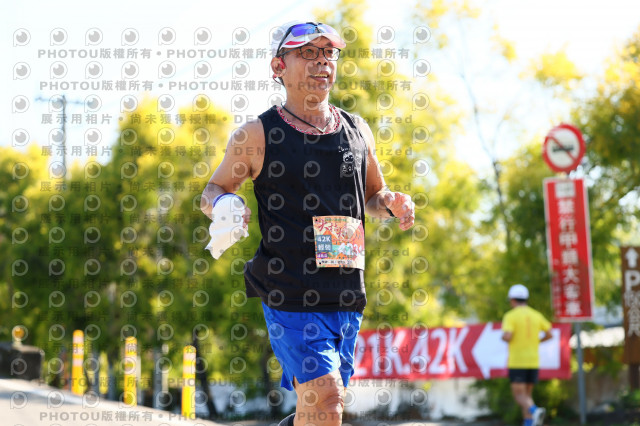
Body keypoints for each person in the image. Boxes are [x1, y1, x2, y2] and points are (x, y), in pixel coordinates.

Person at [200, 20, 415, 426]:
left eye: (329, 53)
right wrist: (226, 204)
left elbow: (373, 196)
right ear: (278, 66)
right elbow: (212, 191)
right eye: (308, 53)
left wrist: (392, 202)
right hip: (289, 289)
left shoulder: (357, 130)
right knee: (327, 398)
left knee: (319, 409)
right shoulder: (257, 134)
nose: (322, 62)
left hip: (347, 290)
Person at [501, 284, 552, 426]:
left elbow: (508, 335)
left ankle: (535, 410)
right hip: (533, 361)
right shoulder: (536, 315)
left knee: (519, 396)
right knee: (527, 396)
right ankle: (528, 423)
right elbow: (549, 334)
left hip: (517, 361)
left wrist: (503, 337)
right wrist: (537, 341)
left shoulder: (510, 316)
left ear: (512, 300)